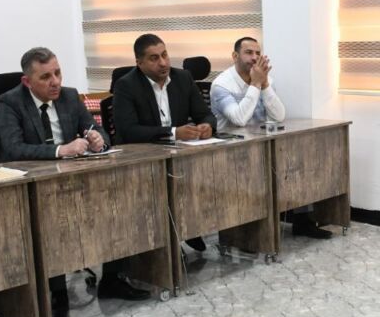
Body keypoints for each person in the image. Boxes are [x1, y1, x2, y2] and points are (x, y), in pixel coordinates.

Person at [0, 47, 148, 317]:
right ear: (27, 81)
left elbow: (96, 129)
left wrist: (98, 140)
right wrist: (60, 150)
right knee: (51, 223)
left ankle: (113, 278)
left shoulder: (69, 96)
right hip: (36, 185)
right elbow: (12, 148)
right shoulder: (10, 102)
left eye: (57, 73)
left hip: (76, 176)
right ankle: (57, 293)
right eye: (45, 77)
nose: (55, 81)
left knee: (117, 204)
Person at [210, 36, 330, 239]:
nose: (254, 58)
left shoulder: (264, 79)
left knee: (298, 160)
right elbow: (239, 119)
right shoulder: (221, 85)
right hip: (233, 149)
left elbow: (279, 115)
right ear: (235, 56)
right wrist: (256, 85)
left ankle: (302, 221)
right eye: (248, 53)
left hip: (261, 143)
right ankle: (250, 230)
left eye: (258, 53)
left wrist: (264, 85)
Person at [113, 33, 216, 252]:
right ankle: (166, 242)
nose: (163, 62)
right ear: (139, 63)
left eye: (165, 55)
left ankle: (189, 226)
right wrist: (173, 133)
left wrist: (207, 126)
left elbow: (206, 114)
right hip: (142, 158)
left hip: (179, 155)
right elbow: (128, 131)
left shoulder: (183, 78)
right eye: (154, 58)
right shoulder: (126, 85)